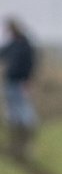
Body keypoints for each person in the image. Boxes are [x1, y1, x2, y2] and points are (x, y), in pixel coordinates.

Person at [1, 16, 39, 160]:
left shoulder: (25, 45)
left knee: (25, 113)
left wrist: (28, 80)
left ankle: (27, 147)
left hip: (21, 83)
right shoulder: (13, 44)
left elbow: (31, 63)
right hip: (10, 83)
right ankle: (14, 146)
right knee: (12, 114)